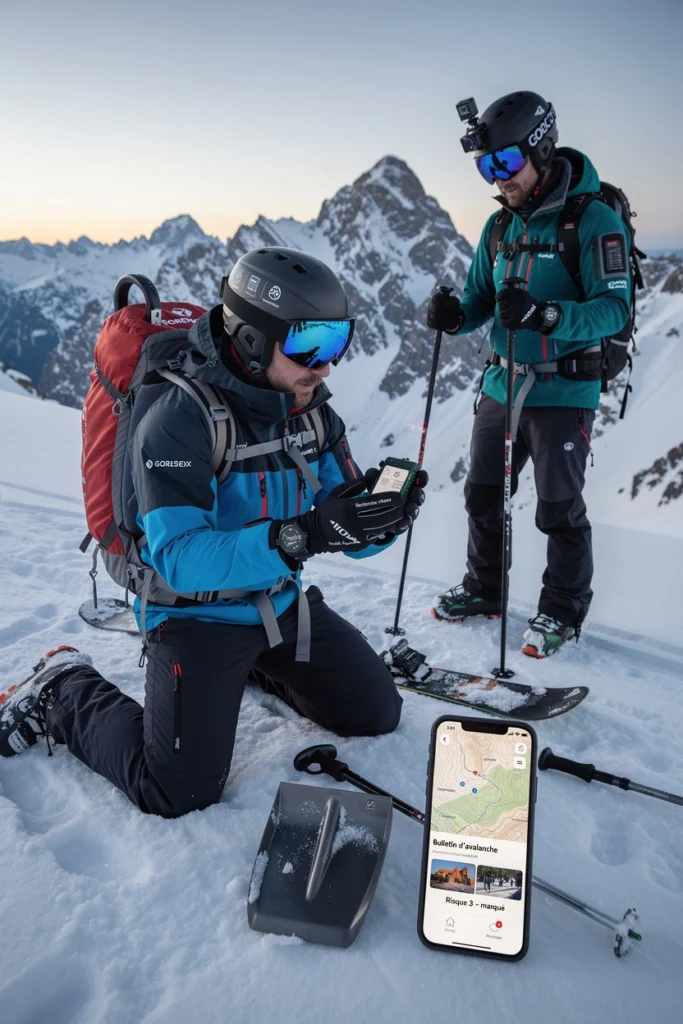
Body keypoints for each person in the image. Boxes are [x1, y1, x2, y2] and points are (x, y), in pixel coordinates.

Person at [0, 247, 427, 817]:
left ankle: (249, 669)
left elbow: (338, 520)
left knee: (375, 713)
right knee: (176, 791)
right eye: (309, 345)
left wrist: (380, 520)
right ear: (252, 339)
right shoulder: (179, 418)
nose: (326, 366)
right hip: (193, 614)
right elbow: (180, 558)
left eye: (337, 342)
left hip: (276, 602)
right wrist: (303, 536)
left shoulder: (313, 412)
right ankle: (63, 688)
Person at [428, 91, 631, 657]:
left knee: (558, 508)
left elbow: (613, 308)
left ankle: (562, 611)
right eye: (486, 167)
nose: (498, 177)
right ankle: (484, 589)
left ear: (541, 149)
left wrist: (546, 316)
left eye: (507, 161)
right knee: (482, 494)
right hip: (502, 383)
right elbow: (480, 299)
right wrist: (454, 316)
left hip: (564, 387)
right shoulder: (499, 227)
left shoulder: (593, 221)